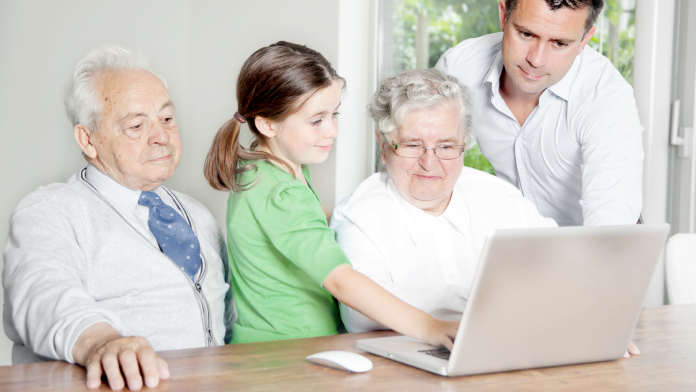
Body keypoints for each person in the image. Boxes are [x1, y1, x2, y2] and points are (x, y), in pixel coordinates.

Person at [2, 46, 236, 391]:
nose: (161, 136)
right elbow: (42, 296)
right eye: (136, 125)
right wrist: (102, 342)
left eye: (167, 119)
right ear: (88, 139)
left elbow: (226, 321)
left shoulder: (198, 215)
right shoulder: (50, 210)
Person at [204, 41, 457, 349]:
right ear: (267, 124)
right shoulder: (280, 194)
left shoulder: (274, 168)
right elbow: (340, 280)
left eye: (334, 114)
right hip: (285, 354)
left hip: (291, 346)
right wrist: (429, 326)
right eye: (316, 120)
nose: (332, 130)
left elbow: (319, 221)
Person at [331, 68, 555, 331]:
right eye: (412, 145)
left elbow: (563, 263)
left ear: (463, 145)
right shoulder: (358, 215)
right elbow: (361, 313)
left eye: (446, 146)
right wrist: (477, 300)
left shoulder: (500, 197)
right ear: (383, 146)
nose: (429, 163)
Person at [435, 0, 643, 226]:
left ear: (585, 39)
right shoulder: (459, 69)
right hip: (518, 238)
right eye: (526, 34)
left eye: (560, 43)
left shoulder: (605, 99)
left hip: (591, 243)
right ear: (504, 15)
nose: (536, 60)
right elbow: (418, 155)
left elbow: (610, 227)